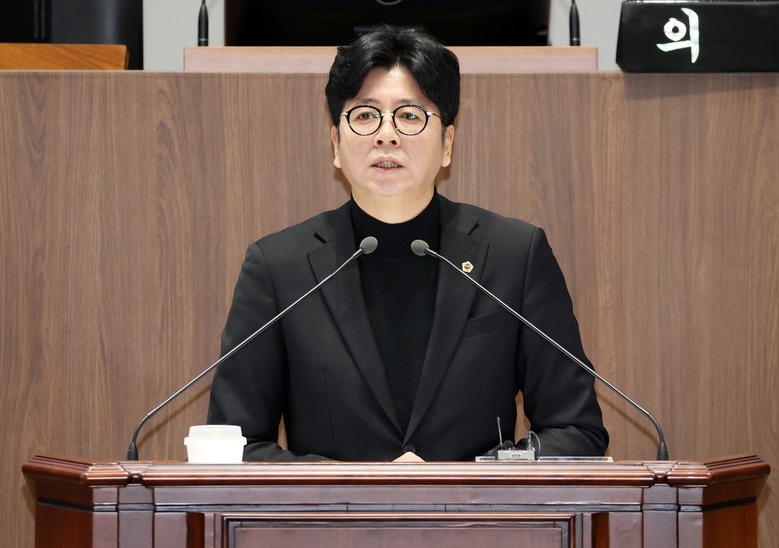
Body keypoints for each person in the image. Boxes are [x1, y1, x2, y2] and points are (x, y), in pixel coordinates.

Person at [207, 26, 609, 462]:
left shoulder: (514, 256)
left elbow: (576, 431)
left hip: (477, 508)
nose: (387, 135)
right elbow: (234, 446)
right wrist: (358, 486)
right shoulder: (279, 268)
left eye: (410, 115)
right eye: (365, 115)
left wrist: (467, 479)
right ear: (336, 144)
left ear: (447, 144)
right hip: (332, 510)